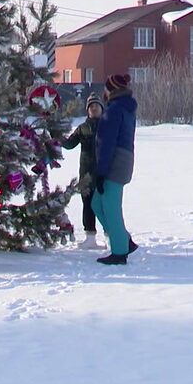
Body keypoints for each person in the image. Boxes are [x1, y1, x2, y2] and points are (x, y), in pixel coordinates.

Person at [92, 73, 140, 265]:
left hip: (114, 163)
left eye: (105, 88)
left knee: (111, 208)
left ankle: (120, 252)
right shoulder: (125, 108)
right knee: (97, 203)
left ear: (111, 90)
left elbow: (107, 143)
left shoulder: (114, 111)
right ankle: (124, 240)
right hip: (123, 160)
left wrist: (101, 172)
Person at [62, 93, 105, 249]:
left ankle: (109, 235)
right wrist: (56, 136)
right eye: (91, 107)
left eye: (96, 106)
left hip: (104, 173)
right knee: (87, 204)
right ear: (87, 110)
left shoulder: (107, 126)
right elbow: (69, 144)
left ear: (101, 109)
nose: (94, 109)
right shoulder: (82, 128)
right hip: (86, 173)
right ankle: (90, 237)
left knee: (105, 205)